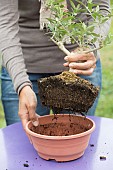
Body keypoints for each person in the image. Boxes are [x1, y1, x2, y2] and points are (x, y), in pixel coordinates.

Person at [0, 0, 111, 130]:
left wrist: (90, 48)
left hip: (79, 69)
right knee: (23, 142)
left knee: (75, 143)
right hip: (23, 68)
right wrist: (21, 85)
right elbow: (5, 23)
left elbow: (101, 8)